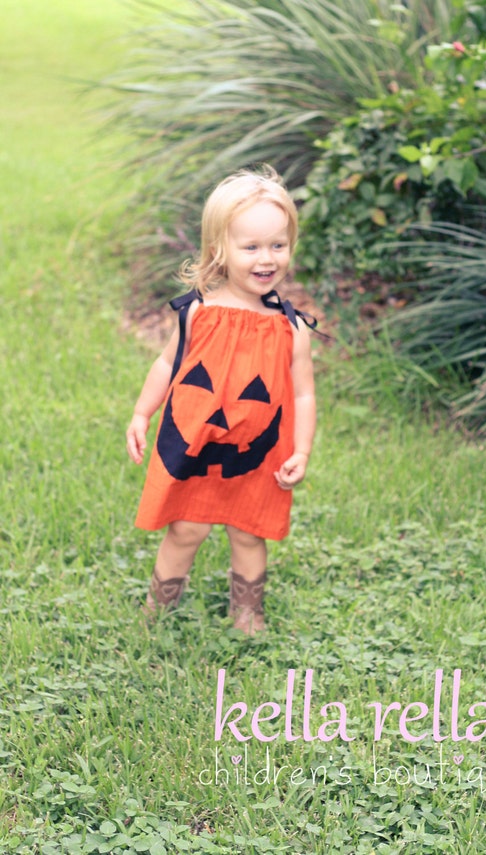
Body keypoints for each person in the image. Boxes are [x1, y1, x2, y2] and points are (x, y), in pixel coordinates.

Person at [126, 166, 316, 635]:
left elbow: (305, 393)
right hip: (195, 444)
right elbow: (166, 366)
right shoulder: (198, 312)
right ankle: (159, 605)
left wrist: (302, 449)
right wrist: (141, 413)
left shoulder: (291, 329)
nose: (266, 258)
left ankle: (247, 611)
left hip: (257, 455)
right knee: (185, 529)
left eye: (277, 245)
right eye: (250, 247)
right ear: (220, 250)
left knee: (249, 531)